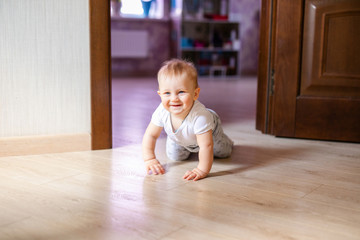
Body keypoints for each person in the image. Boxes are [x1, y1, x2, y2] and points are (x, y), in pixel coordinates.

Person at [142, 59, 233, 181]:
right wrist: (150, 159)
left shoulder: (201, 117)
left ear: (195, 94)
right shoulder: (162, 111)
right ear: (160, 94)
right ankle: (178, 135)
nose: (174, 99)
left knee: (223, 153)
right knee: (176, 157)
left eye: (181, 92)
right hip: (182, 137)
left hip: (210, 131)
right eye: (167, 93)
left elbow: (206, 146)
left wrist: (202, 170)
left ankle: (227, 140)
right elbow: (150, 135)